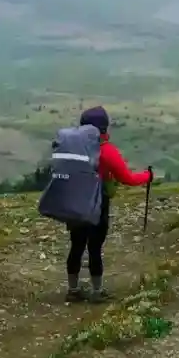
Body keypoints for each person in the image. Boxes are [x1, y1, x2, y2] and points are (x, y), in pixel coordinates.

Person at [65, 105, 152, 303]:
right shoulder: (107, 151)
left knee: (76, 245)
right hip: (97, 205)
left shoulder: (73, 147)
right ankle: (97, 291)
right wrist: (147, 176)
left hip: (75, 203)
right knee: (94, 247)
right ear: (104, 127)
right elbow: (127, 178)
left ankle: (73, 289)